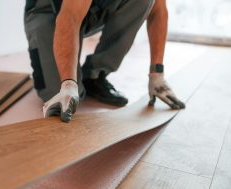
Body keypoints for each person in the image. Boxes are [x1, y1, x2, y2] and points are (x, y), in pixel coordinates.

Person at [24, 0, 185, 122]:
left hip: (91, 10)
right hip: (47, 11)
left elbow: (158, 11)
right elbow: (70, 17)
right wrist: (68, 84)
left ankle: (94, 75)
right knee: (59, 96)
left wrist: (157, 74)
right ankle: (72, 82)